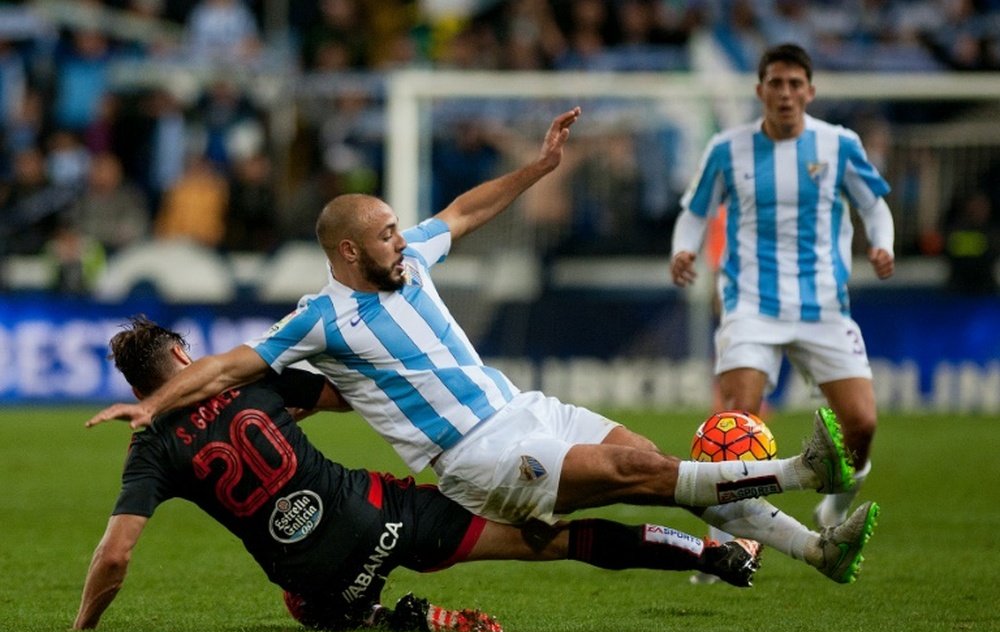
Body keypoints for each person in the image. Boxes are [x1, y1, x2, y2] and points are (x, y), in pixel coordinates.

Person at [86, 107, 879, 585]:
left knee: (654, 466)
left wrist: (537, 167)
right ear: (351, 253)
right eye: (388, 234)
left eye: (401, 228)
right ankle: (805, 470)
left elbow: (462, 213)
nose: (405, 239)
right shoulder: (319, 320)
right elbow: (228, 366)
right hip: (477, 457)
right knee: (643, 473)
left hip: (523, 409)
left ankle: (819, 552)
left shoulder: (413, 260)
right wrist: (154, 405)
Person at [75, 316, 767, 632]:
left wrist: (82, 628)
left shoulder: (150, 446)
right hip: (383, 516)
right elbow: (354, 395)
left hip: (315, 577)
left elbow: (116, 556)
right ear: (180, 352)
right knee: (552, 539)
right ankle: (714, 553)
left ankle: (392, 618)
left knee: (308, 610)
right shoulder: (258, 388)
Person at [670, 44, 895, 530]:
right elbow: (695, 212)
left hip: (824, 308)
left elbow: (874, 204)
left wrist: (883, 244)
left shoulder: (838, 144)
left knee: (862, 424)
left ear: (810, 91)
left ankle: (837, 499)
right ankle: (727, 537)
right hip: (751, 303)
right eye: (776, 83)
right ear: (760, 90)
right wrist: (682, 250)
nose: (786, 93)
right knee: (737, 418)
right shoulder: (728, 149)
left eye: (795, 84)